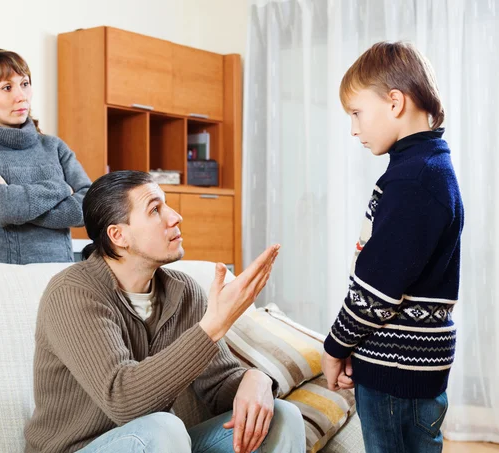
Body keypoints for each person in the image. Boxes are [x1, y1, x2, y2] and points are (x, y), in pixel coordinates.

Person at [24, 170, 306, 453]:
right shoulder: (73, 292)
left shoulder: (182, 291)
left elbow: (219, 384)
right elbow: (123, 401)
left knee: (282, 416)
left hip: (160, 444)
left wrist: (255, 379)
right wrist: (213, 326)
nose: (175, 217)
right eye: (156, 210)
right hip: (83, 449)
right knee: (164, 428)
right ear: (119, 235)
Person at [320, 41, 464, 453]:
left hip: (395, 370)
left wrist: (335, 347)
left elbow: (376, 290)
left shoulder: (414, 180)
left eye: (356, 113)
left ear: (395, 102)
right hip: (413, 364)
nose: (353, 129)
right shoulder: (428, 168)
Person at [0, 49, 91, 264]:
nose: (21, 96)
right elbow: (5, 208)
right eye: (7, 87)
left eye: (24, 84)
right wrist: (62, 188)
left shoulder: (54, 146)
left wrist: (16, 200)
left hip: (60, 273)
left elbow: (90, 208)